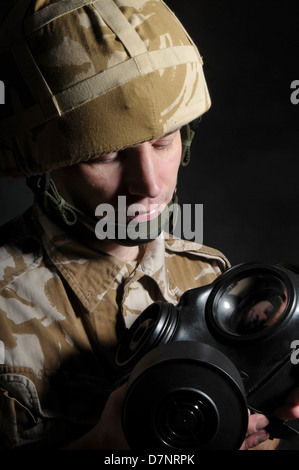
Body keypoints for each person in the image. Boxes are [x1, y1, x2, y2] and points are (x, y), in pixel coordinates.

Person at [0, 0, 298, 450]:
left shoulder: (209, 278)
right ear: (44, 166)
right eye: (105, 155)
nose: (151, 185)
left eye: (163, 142)